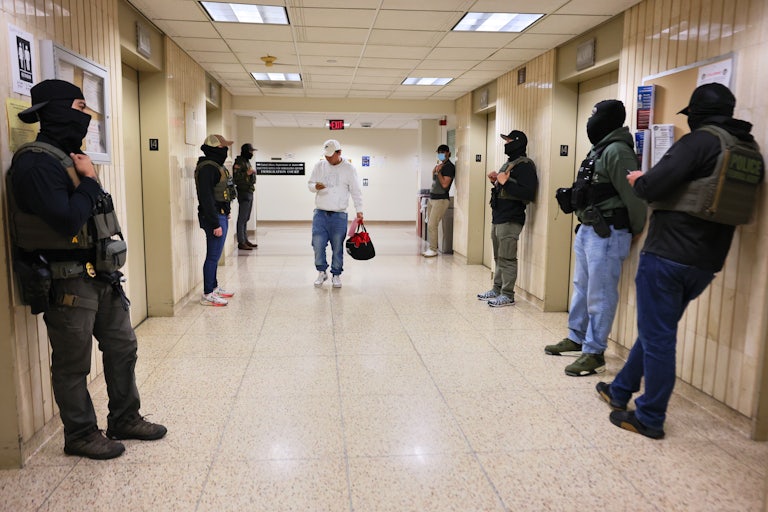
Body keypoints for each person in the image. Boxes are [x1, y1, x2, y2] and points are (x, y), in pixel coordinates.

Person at [7, 79, 166, 460]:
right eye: (80, 107)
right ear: (55, 109)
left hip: (101, 274)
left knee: (123, 347)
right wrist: (91, 183)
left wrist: (88, 179)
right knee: (73, 363)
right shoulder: (34, 163)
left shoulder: (70, 158)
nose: (87, 116)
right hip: (67, 280)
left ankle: (125, 417)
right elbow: (65, 220)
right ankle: (80, 434)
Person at [595, 84, 763, 439]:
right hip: (707, 262)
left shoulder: (700, 141)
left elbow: (650, 187)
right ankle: (621, 389)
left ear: (698, 114)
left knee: (659, 338)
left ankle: (650, 417)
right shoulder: (749, 150)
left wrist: (640, 179)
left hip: (668, 254)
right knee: (659, 328)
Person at [544, 100, 647, 376]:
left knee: (599, 295)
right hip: (588, 228)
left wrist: (635, 228)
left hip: (608, 232)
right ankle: (576, 338)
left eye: (595, 116)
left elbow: (634, 198)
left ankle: (594, 351)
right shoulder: (598, 149)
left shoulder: (618, 151)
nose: (591, 121)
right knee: (581, 287)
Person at [476, 130, 538, 307]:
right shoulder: (511, 163)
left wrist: (505, 182)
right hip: (499, 216)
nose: (506, 143)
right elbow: (506, 189)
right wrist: (496, 181)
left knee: (507, 258)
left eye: (509, 140)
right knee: (498, 256)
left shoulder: (525, 165)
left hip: (511, 217)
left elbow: (527, 193)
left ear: (518, 142)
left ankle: (507, 294)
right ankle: (497, 288)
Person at [307, 139, 363, 289]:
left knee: (337, 246)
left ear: (339, 153)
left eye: (330, 155)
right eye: (326, 155)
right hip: (320, 213)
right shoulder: (319, 166)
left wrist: (359, 210)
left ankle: (336, 274)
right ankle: (321, 272)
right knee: (318, 244)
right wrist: (315, 187)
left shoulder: (349, 169)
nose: (327, 158)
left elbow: (355, 191)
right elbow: (310, 184)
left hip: (339, 215)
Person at [195, 134, 237, 306]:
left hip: (219, 215)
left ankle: (214, 287)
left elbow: (220, 193)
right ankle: (207, 293)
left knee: (216, 254)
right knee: (212, 256)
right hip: (212, 218)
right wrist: (214, 223)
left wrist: (225, 211)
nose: (226, 150)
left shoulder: (215, 166)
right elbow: (206, 198)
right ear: (215, 148)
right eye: (223, 147)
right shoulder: (207, 168)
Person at [422, 144, 455, 257]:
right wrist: (435, 171)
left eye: (442, 152)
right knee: (430, 224)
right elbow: (434, 180)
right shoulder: (441, 165)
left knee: (432, 225)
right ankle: (431, 247)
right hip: (433, 198)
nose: (440, 154)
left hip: (441, 200)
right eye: (439, 152)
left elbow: (445, 184)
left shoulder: (449, 167)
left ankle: (433, 249)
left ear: (447, 153)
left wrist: (439, 172)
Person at [233, 143, 258, 251]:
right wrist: (247, 173)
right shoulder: (239, 162)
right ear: (245, 151)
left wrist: (251, 173)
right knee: (242, 218)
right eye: (250, 151)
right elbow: (236, 178)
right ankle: (241, 242)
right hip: (243, 192)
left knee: (246, 217)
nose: (252, 153)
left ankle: (245, 239)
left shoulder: (246, 162)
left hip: (249, 190)